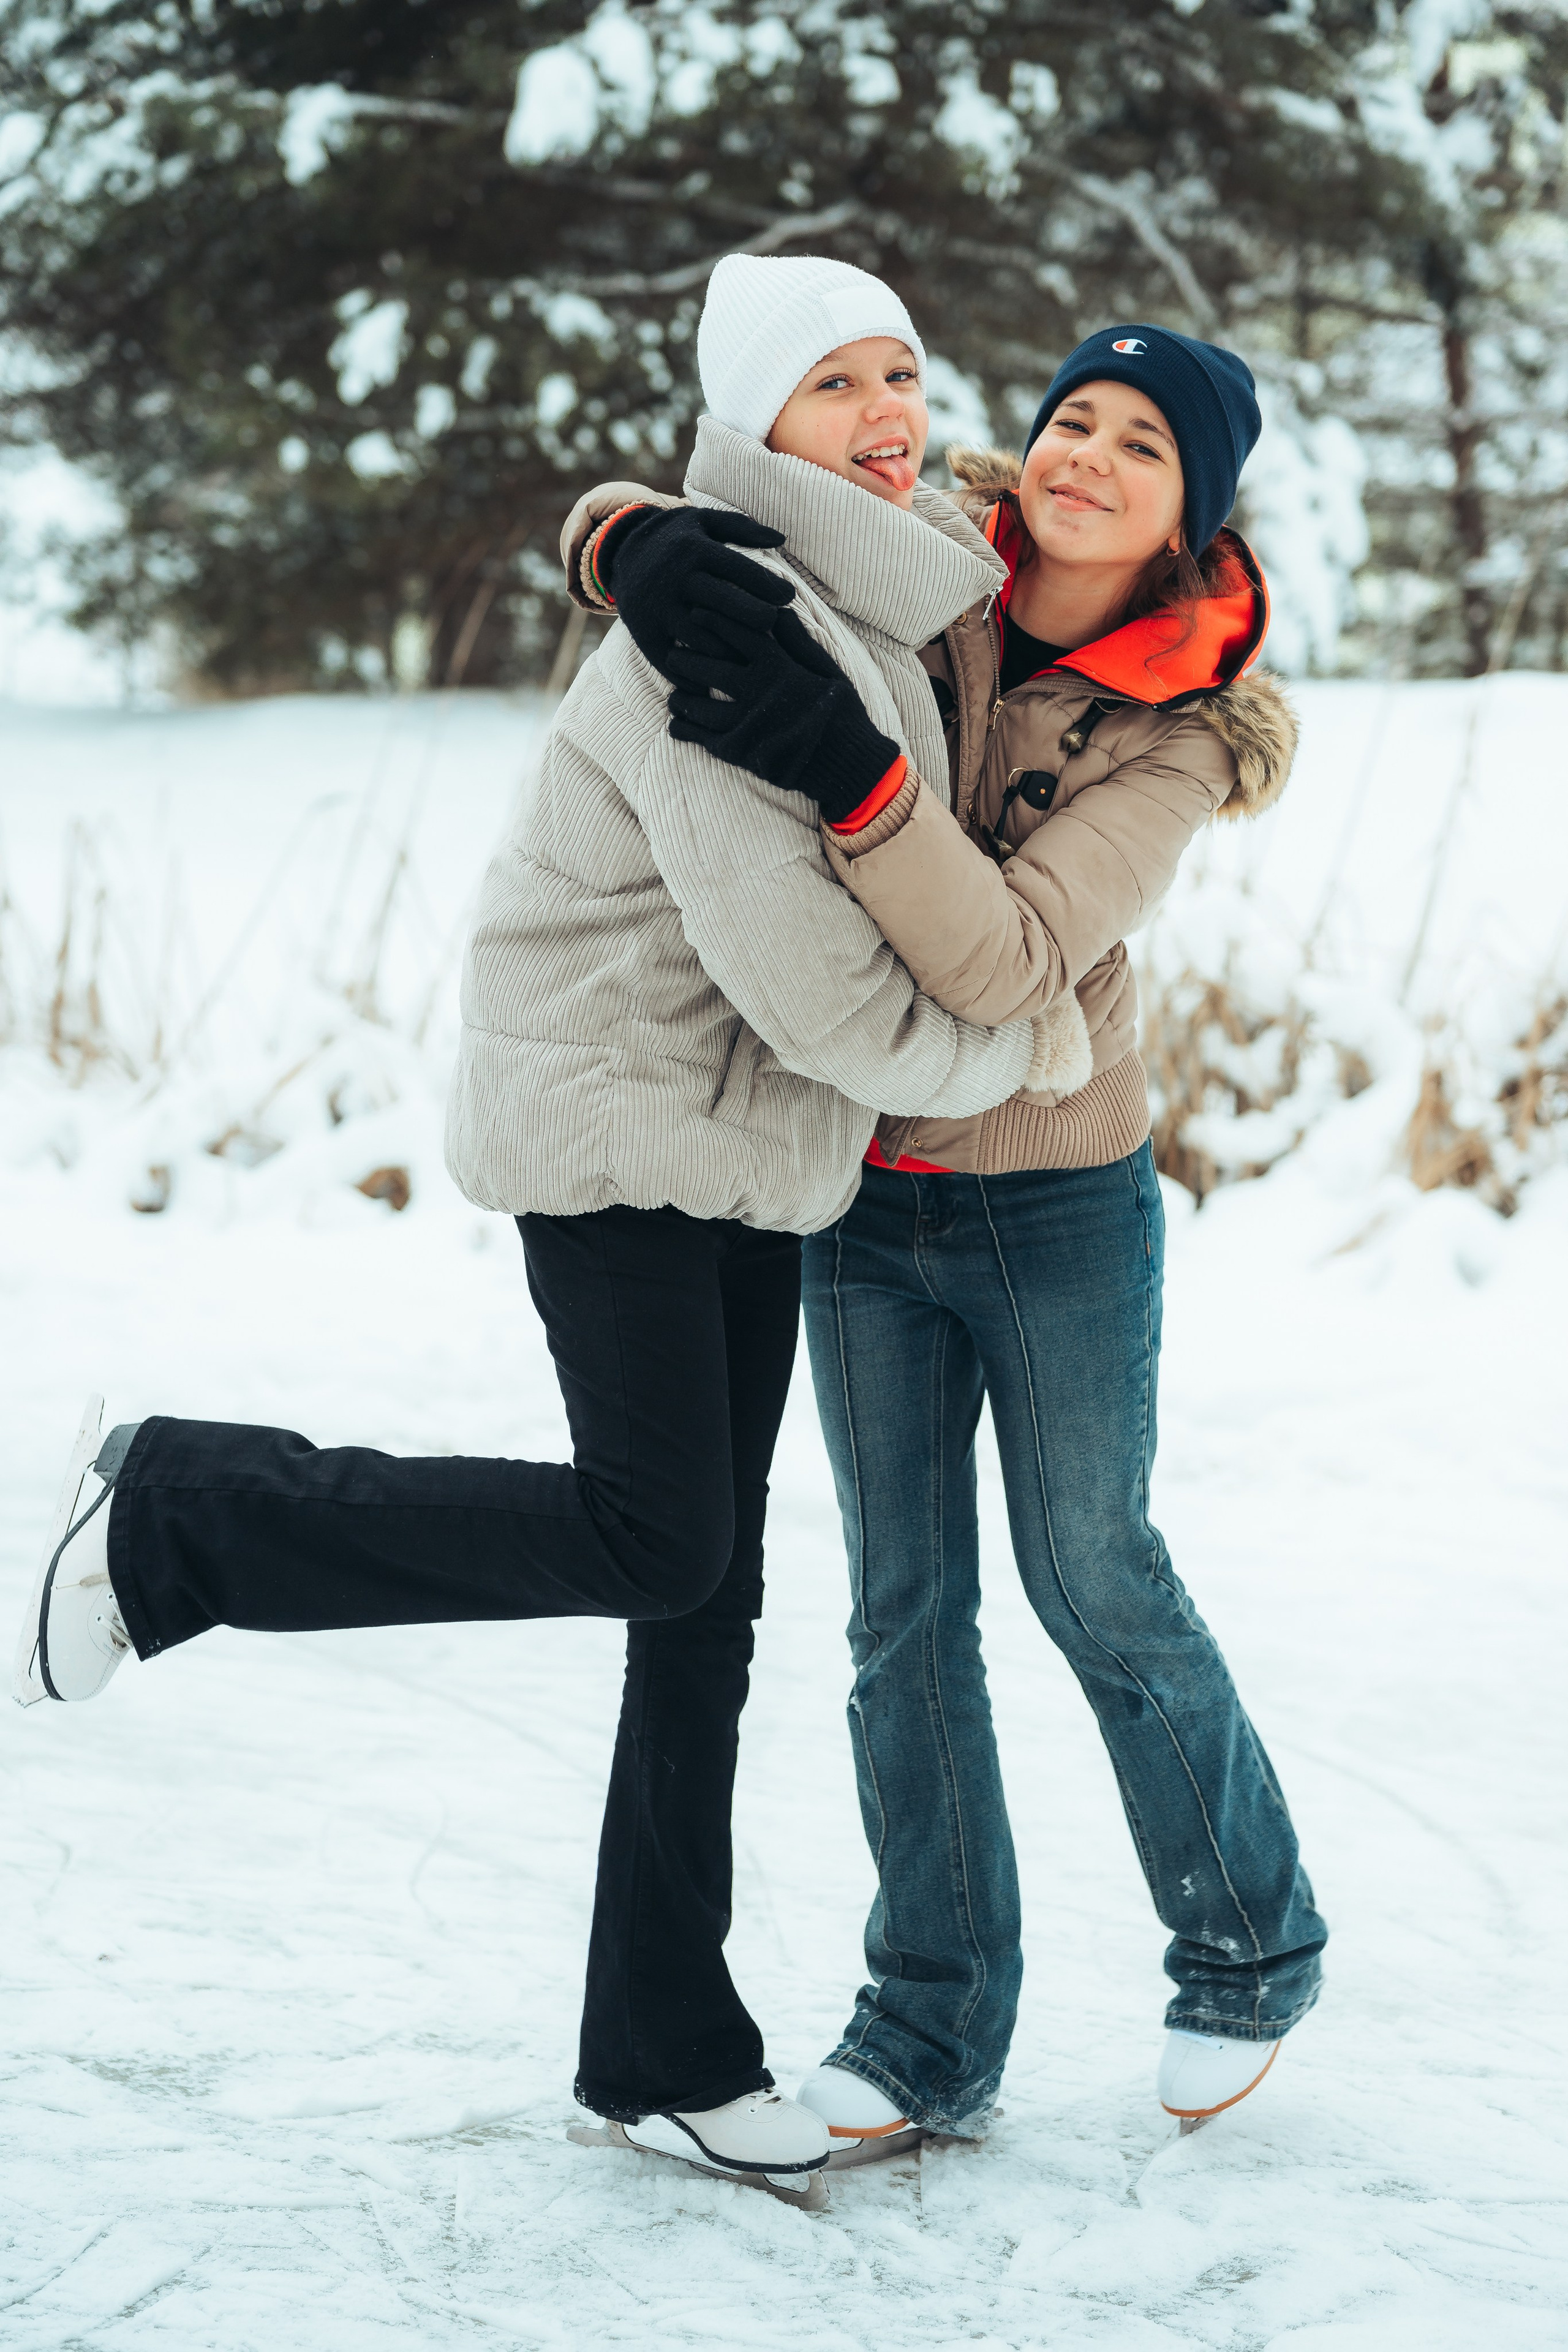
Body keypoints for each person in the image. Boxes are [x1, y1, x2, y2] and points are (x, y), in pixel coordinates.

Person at [10, 255, 1066, 2206]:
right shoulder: (728, 627)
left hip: (739, 1152)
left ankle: (663, 2054)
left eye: (902, 372)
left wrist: (615, 525)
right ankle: (178, 1511)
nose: (887, 414)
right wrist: (1033, 1029)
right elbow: (820, 994)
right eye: (835, 383)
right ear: (755, 422)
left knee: (703, 1600)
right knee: (660, 1541)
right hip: (620, 1126)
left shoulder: (852, 588)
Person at [568, 307, 1328, 2160]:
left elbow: (1006, 956)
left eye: (1142, 446)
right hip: (857, 1192)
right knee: (900, 1617)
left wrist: (857, 774)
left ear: (1190, 513)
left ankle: (1250, 1945)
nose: (1086, 459)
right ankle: (929, 2027)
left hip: (1055, 1201)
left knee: (1094, 1574)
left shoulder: (1182, 737)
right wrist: (622, 541)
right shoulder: (920, 564)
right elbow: (717, 503)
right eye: (1075, 418)